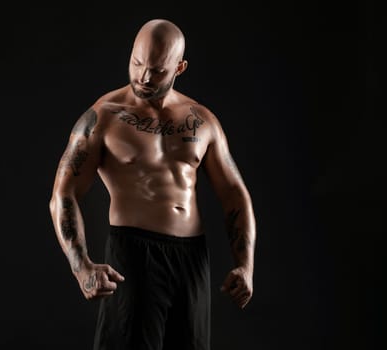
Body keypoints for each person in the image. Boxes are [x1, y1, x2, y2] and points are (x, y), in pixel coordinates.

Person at [49, 18, 257, 350]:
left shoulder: (202, 120)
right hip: (134, 255)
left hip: (191, 260)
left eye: (158, 70)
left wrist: (245, 266)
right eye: (137, 63)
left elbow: (234, 194)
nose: (144, 77)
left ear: (180, 67)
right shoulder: (103, 116)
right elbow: (63, 194)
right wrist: (81, 266)